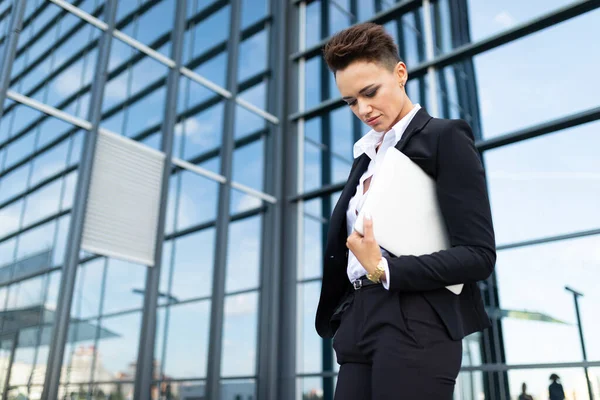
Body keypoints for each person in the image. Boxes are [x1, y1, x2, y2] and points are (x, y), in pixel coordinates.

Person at [314, 22, 496, 400]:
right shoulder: (365, 158)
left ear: (400, 74)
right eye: (350, 101)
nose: (362, 109)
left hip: (417, 321)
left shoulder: (444, 137)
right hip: (358, 319)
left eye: (369, 92)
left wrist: (383, 269)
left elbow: (478, 256)